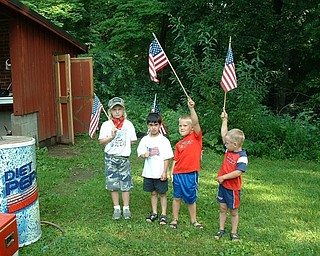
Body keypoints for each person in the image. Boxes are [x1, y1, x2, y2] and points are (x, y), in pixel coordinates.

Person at [98, 97, 137, 220]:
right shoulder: (106, 125)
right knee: (113, 184)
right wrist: (112, 137)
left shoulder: (128, 124)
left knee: (125, 184)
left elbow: (133, 140)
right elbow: (101, 141)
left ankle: (126, 207)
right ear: (110, 111)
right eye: (114, 109)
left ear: (123, 110)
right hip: (111, 159)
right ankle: (116, 208)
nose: (117, 112)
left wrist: (124, 145)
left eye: (119, 109)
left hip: (124, 159)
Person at [169, 97, 203, 229]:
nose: (182, 128)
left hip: (190, 174)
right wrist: (171, 173)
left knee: (191, 198)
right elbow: (175, 160)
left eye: (185, 125)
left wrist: (191, 108)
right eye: (180, 125)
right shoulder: (179, 144)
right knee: (177, 197)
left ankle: (194, 220)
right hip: (178, 174)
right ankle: (174, 219)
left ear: (192, 128)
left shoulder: (196, 137)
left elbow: (196, 122)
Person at [214, 111, 248, 241]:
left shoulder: (242, 157)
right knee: (223, 208)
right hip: (223, 187)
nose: (225, 144)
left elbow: (238, 172)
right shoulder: (229, 149)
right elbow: (224, 135)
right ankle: (221, 229)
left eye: (227, 143)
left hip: (233, 189)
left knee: (233, 211)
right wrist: (224, 121)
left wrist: (224, 177)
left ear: (235, 145)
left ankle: (234, 232)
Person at [137, 112, 174, 225]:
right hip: (149, 172)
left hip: (159, 172)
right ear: (148, 125)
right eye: (151, 125)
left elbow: (167, 157)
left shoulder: (164, 140)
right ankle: (154, 212)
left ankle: (163, 214)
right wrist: (144, 154)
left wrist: (164, 172)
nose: (153, 127)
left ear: (160, 126)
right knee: (153, 193)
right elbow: (139, 152)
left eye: (156, 125)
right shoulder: (145, 139)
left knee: (162, 193)